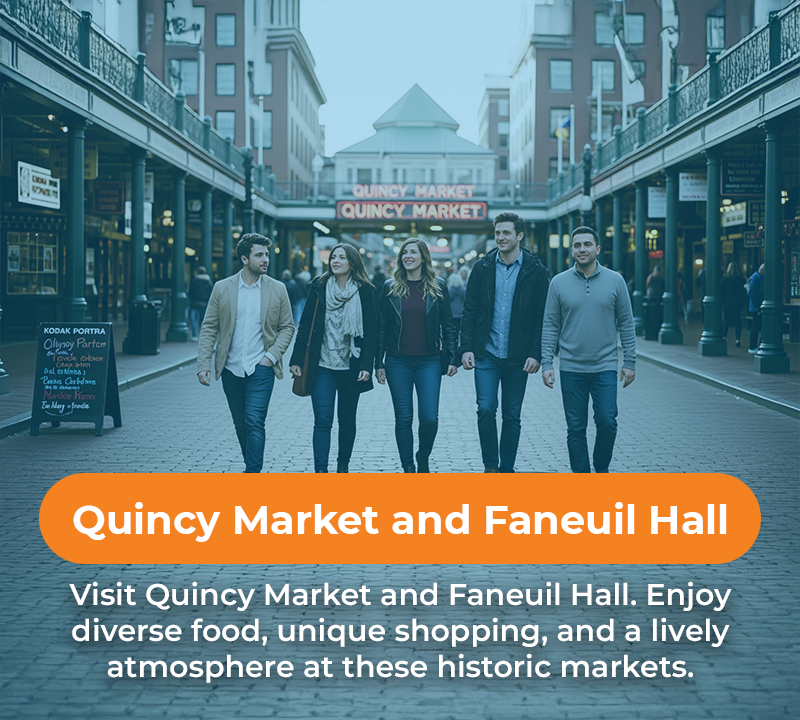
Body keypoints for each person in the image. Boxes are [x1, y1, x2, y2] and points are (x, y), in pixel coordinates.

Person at [541, 227, 636, 473]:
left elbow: (626, 322)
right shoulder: (558, 282)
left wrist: (630, 362)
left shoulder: (615, 280)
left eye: (586, 244)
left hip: (605, 366)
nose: (581, 249)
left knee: (607, 422)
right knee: (575, 427)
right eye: (577, 245)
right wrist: (547, 363)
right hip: (571, 367)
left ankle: (601, 468)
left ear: (597, 249)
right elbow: (550, 324)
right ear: (572, 250)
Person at [460, 212, 550, 473]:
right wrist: (466, 347)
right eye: (497, 233)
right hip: (486, 354)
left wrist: (537, 354)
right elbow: (470, 310)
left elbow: (540, 316)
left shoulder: (535, 270)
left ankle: (506, 467)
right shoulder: (482, 267)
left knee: (512, 415)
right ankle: (491, 466)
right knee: (486, 409)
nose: (500, 237)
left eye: (506, 233)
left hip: (518, 357)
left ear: (519, 235)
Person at [197, 234, 294, 473]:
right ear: (244, 258)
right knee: (241, 424)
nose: (265, 260)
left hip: (261, 367)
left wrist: (270, 357)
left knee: (254, 422)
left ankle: (253, 472)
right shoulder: (222, 288)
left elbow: (287, 327)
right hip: (230, 368)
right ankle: (250, 465)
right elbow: (209, 326)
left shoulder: (278, 289)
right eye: (259, 255)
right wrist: (203, 364)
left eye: (267, 255)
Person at [289, 244, 377, 473]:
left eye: (342, 257)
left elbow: (372, 331)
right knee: (323, 419)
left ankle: (342, 467)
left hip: (352, 364)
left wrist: (368, 364)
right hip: (322, 365)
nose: (336, 261)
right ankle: (321, 471)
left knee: (347, 420)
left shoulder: (365, 290)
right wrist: (296, 359)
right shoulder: (319, 287)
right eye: (333, 257)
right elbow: (305, 324)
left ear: (353, 263)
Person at [375, 239, 458, 473]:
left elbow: (448, 325)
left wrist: (453, 357)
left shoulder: (437, 285)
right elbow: (381, 326)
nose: (407, 256)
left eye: (413, 252)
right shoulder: (390, 287)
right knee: (403, 418)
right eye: (404, 252)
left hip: (429, 360)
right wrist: (377, 363)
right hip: (396, 360)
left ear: (424, 257)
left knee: (429, 418)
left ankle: (423, 455)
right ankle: (409, 467)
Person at [720, 262, 747, 347]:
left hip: (727, 302)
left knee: (726, 320)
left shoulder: (725, 278)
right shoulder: (741, 279)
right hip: (738, 303)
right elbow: (744, 292)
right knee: (737, 321)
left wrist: (723, 300)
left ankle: (724, 336)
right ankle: (737, 339)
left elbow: (721, 290)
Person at [188, 266, 213, 341]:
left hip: (195, 303)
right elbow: (211, 293)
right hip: (204, 303)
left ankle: (194, 335)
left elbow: (190, 292)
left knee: (194, 319)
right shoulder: (208, 282)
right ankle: (203, 335)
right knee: (203, 320)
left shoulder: (194, 281)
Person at [747, 263, 765, 354]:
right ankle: (752, 346)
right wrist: (758, 305)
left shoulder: (760, 277)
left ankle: (758, 345)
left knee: (760, 326)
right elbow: (752, 293)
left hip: (758, 306)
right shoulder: (756, 277)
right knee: (756, 327)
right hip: (756, 307)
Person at [446, 271, 466, 340]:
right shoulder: (463, 290)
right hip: (460, 313)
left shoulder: (448, 291)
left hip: (451, 313)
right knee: (459, 332)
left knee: (451, 332)